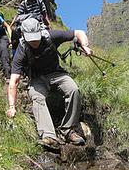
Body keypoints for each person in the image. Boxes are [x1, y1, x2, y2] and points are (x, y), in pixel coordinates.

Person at [6, 18, 92, 149]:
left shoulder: (51, 36)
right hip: (37, 79)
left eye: (36, 37)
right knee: (37, 97)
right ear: (23, 35)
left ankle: (68, 131)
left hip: (57, 74)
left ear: (40, 31)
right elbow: (14, 81)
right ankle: (49, 136)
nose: (34, 41)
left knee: (74, 90)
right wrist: (12, 106)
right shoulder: (21, 50)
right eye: (31, 39)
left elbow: (78, 32)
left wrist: (85, 45)